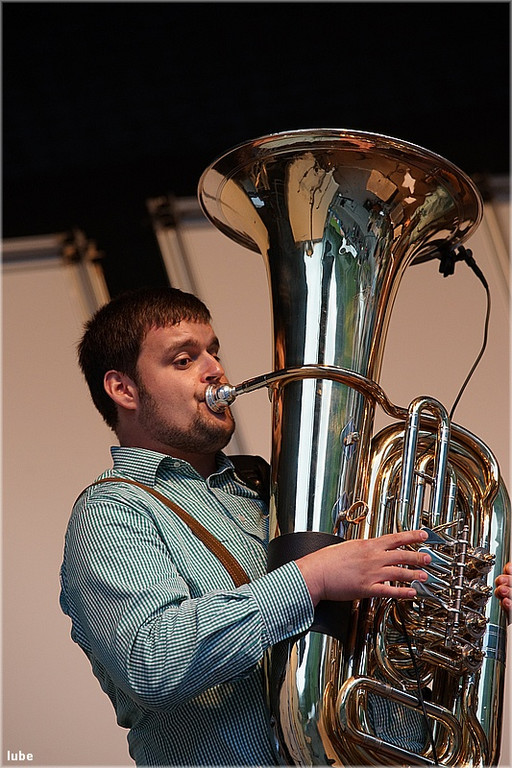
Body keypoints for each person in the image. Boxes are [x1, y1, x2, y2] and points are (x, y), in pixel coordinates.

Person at [60, 286, 512, 767]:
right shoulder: (112, 509)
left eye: (214, 351)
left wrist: (463, 598)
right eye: (184, 360)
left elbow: (376, 646)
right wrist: (312, 579)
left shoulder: (271, 493)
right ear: (123, 389)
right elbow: (153, 662)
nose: (215, 369)